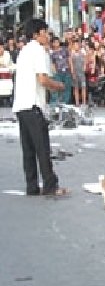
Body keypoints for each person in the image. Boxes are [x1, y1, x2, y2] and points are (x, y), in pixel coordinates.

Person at [12, 19, 68, 197]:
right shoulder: (38, 50)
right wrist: (58, 86)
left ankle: (32, 186)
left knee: (28, 149)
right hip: (33, 104)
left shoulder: (24, 51)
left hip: (21, 105)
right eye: (45, 32)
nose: (48, 36)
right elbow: (42, 79)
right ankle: (50, 185)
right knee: (42, 147)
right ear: (36, 34)